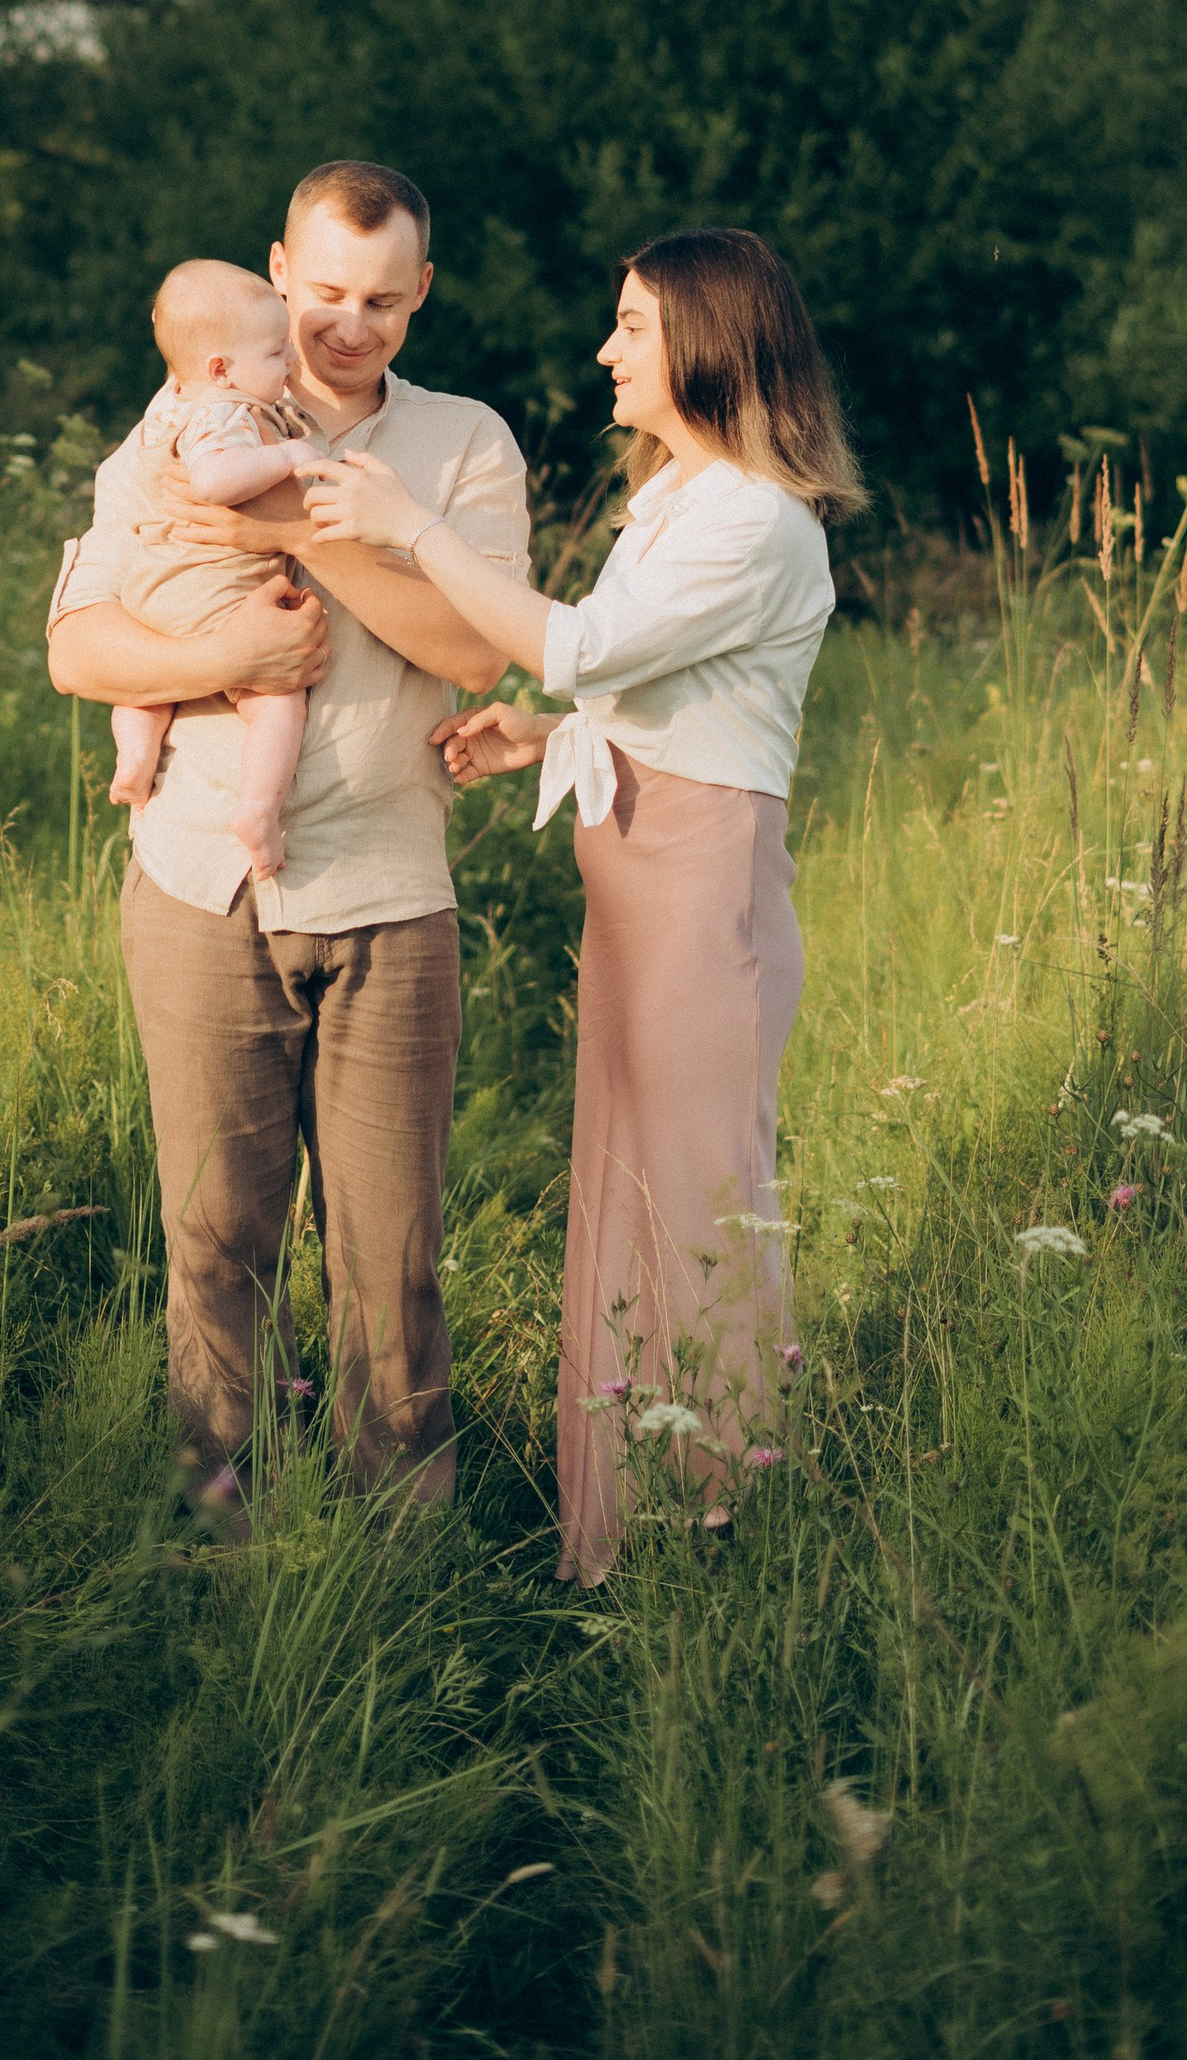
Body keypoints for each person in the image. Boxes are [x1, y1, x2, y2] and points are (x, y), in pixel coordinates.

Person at [303, 225, 858, 1581]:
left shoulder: (754, 518)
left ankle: (717, 1527)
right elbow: (681, 699)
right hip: (645, 885)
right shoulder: (679, 500)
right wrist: (547, 740)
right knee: (633, 1189)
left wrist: (413, 528)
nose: (607, 350)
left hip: (701, 898)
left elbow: (580, 645)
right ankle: (626, 1532)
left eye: (633, 328)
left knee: (699, 1204)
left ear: (707, 347)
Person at [47, 160, 529, 1507]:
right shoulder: (181, 416)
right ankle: (226, 1539)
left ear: (421, 291)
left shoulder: (466, 445)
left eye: (382, 299)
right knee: (214, 1239)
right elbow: (78, 646)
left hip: (388, 888)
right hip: (201, 883)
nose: (349, 324)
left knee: (391, 1259)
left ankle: (397, 1556)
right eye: (323, 292)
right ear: (276, 273)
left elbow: (474, 653)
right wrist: (221, 654)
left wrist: (306, 534)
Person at [106, 262, 316, 880]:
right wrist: (288, 453)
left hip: (154, 587)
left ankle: (136, 758)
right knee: (278, 701)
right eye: (276, 352)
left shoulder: (169, 403)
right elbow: (215, 478)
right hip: (214, 588)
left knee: (147, 686)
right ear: (220, 369)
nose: (291, 362)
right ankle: (259, 809)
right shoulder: (225, 411)